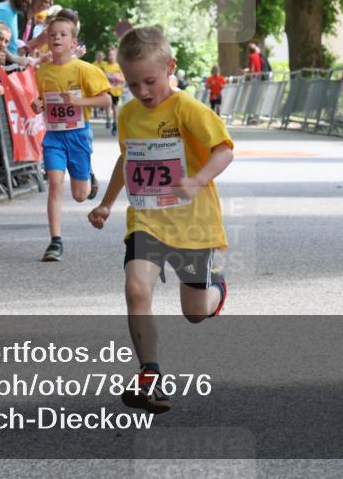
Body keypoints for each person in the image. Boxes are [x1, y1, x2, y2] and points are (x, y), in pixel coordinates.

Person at [87, 25, 232, 414]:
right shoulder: (130, 113)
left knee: (195, 312)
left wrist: (200, 179)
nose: (143, 92)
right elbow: (127, 159)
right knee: (136, 288)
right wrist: (106, 204)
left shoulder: (189, 109)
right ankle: (149, 373)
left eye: (149, 81)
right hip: (147, 219)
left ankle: (217, 288)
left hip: (192, 223)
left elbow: (224, 151)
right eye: (133, 84)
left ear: (170, 66)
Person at [30, 16, 111, 262]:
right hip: (54, 135)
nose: (56, 38)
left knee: (79, 195)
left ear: (74, 42)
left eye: (63, 34)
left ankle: (88, 176)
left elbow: (106, 100)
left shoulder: (86, 70)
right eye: (52, 34)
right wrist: (37, 105)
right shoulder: (42, 72)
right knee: (55, 183)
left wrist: (79, 101)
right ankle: (55, 241)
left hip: (78, 134)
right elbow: (42, 102)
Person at [99, 48, 124, 135]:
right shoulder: (103, 65)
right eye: (110, 55)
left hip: (116, 90)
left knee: (114, 107)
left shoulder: (119, 66)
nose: (111, 57)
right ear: (107, 56)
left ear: (116, 56)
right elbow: (99, 75)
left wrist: (116, 77)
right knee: (107, 104)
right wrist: (105, 75)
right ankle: (108, 117)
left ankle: (114, 125)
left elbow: (123, 79)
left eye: (113, 55)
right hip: (106, 89)